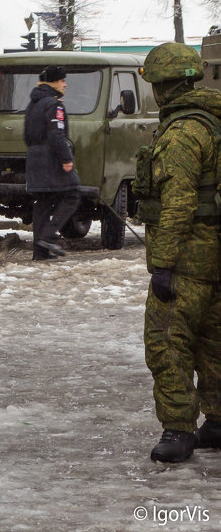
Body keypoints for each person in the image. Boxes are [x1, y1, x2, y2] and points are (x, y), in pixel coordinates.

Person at [133, 42, 221, 463]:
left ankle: (178, 430)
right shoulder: (215, 120)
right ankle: (218, 422)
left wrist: (163, 265)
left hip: (189, 257)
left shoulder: (183, 132)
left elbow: (179, 204)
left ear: (162, 87)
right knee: (213, 339)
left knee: (167, 340)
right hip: (216, 256)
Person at [23, 64, 81, 261]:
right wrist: (66, 159)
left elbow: (27, 135)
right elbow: (56, 134)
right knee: (73, 193)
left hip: (34, 157)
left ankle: (40, 253)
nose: (65, 85)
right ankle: (49, 236)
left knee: (43, 203)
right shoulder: (54, 104)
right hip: (51, 158)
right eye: (63, 81)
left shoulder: (33, 103)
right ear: (54, 82)